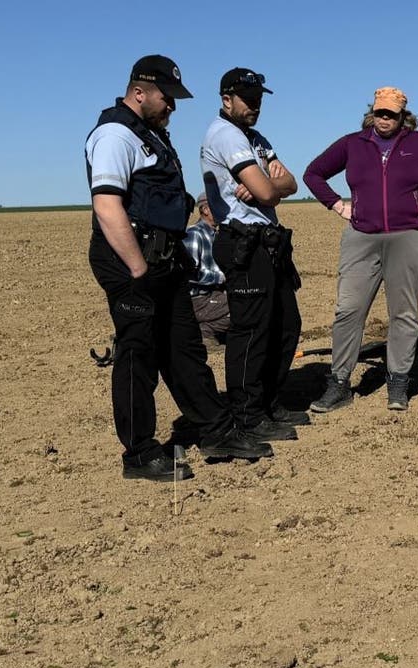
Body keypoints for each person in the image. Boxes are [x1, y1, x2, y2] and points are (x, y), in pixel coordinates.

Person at [85, 55, 273, 481]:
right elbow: (108, 206)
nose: (173, 106)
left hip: (163, 259)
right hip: (131, 260)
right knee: (139, 355)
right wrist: (137, 268)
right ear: (140, 92)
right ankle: (139, 454)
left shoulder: (151, 135)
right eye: (167, 97)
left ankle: (217, 431)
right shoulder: (115, 135)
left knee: (185, 348)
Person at [303, 87, 418, 412]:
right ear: (372, 112)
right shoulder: (352, 144)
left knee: (404, 313)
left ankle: (398, 383)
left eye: (391, 114)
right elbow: (313, 173)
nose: (385, 119)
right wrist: (338, 206)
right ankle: (339, 384)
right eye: (380, 112)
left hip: (407, 236)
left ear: (402, 116)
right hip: (360, 237)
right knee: (348, 311)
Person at [201, 67, 305, 440]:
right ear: (226, 99)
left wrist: (271, 184)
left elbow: (291, 182)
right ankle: (248, 413)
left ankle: (270, 403)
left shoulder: (255, 137)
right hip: (242, 240)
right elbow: (265, 192)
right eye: (248, 99)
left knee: (285, 324)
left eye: (259, 99)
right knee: (252, 330)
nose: (255, 106)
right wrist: (268, 184)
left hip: (269, 240)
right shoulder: (226, 135)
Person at [184, 192, 230, 343]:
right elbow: (190, 273)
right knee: (241, 304)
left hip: (213, 296)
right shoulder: (194, 234)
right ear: (205, 210)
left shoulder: (215, 235)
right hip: (199, 298)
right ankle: (203, 332)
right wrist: (221, 277)